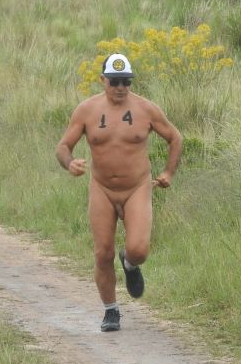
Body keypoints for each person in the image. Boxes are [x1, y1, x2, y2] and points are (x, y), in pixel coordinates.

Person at [56, 53, 183, 332]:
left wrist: (168, 172)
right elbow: (63, 146)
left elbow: (175, 138)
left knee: (139, 250)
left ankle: (130, 264)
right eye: (114, 81)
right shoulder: (86, 110)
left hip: (137, 187)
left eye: (126, 81)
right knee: (103, 253)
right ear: (103, 80)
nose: (121, 87)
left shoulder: (146, 109)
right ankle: (111, 310)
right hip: (102, 188)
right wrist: (70, 163)